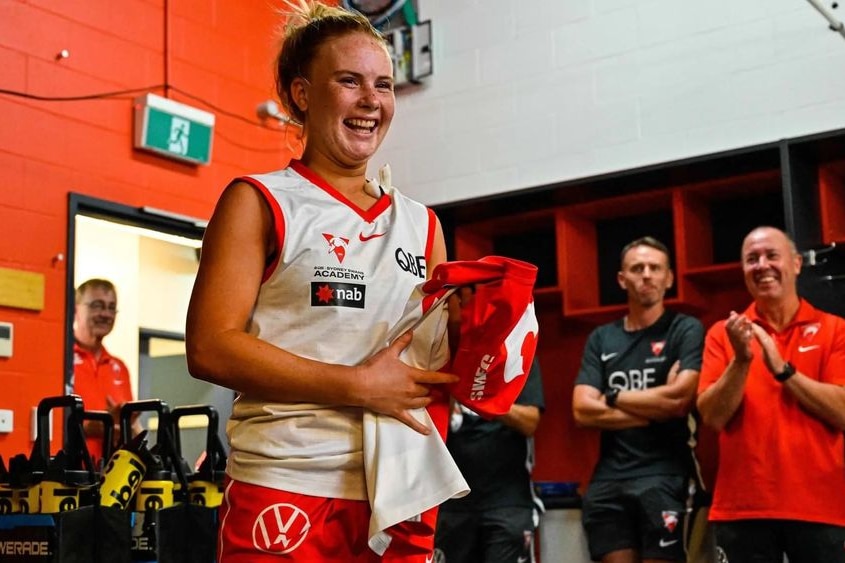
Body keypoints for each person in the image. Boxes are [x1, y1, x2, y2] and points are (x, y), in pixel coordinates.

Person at [184, 3, 457, 561]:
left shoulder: (422, 224)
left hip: (400, 490)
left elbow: (433, 364)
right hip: (287, 482)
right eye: (349, 81)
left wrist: (495, 341)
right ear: (303, 95)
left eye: (383, 84)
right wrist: (357, 386)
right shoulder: (258, 201)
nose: (370, 101)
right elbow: (210, 347)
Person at [696, 226, 845, 563]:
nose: (762, 265)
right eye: (752, 259)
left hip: (821, 509)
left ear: (795, 264)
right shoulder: (723, 334)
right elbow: (712, 416)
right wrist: (742, 360)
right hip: (743, 511)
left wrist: (784, 371)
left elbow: (843, 411)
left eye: (771, 256)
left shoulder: (836, 329)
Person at [572, 236, 704, 563]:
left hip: (665, 476)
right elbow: (582, 410)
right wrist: (655, 408)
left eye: (655, 268)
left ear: (669, 278)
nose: (646, 275)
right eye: (637, 268)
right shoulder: (602, 338)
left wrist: (612, 396)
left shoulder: (684, 329)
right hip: (607, 481)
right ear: (622, 279)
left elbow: (679, 399)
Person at [434, 353, 545, 563]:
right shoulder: (445, 353)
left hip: (506, 502)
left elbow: (530, 421)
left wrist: (481, 399)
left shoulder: (518, 350)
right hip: (453, 502)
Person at [71, 278, 139, 464]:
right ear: (75, 308)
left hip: (111, 476)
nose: (106, 314)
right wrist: (90, 427)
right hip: (69, 476)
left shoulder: (119, 367)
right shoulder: (60, 359)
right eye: (97, 305)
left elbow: (133, 427)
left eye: (111, 307)